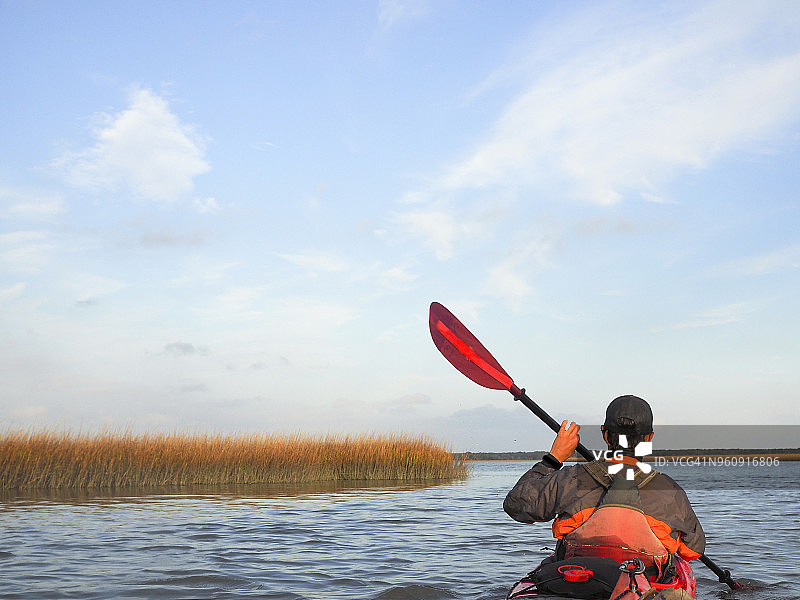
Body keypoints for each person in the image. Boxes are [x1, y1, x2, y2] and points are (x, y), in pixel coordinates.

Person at [504, 395, 705, 595]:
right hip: (642, 587)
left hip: (575, 580)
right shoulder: (670, 491)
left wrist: (553, 459)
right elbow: (693, 551)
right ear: (649, 437)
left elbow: (516, 505)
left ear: (605, 434)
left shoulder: (570, 478)